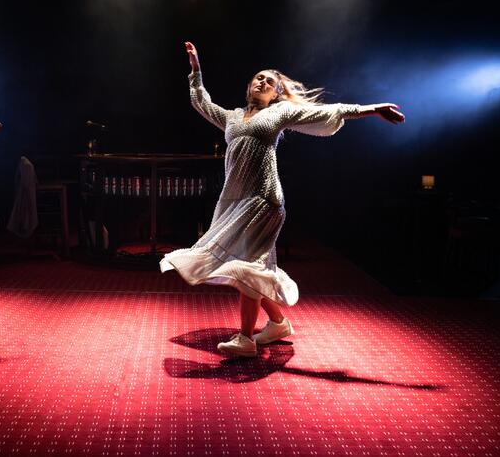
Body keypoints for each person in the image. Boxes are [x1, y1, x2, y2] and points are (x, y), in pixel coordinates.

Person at [160, 42, 405, 357]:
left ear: (275, 93)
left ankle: (245, 339)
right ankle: (277, 324)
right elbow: (201, 101)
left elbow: (328, 111)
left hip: (264, 200)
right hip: (235, 202)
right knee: (248, 269)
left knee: (247, 267)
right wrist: (196, 70)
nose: (261, 82)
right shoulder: (232, 118)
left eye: (269, 82)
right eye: (258, 78)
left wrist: (373, 109)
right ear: (250, 86)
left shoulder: (280, 111)